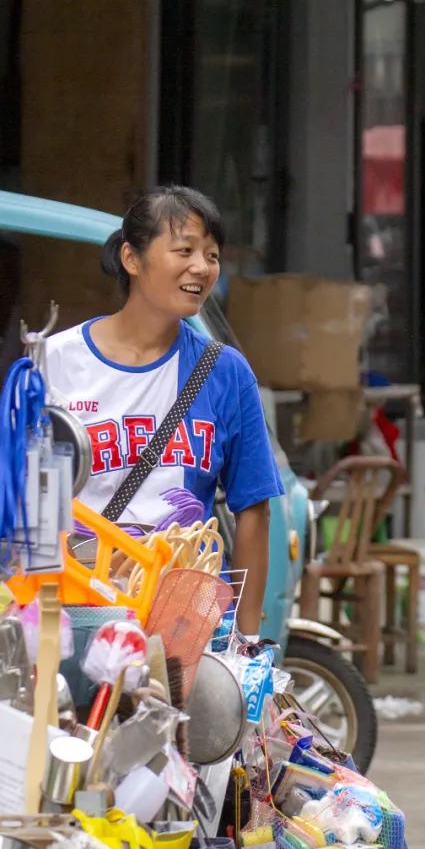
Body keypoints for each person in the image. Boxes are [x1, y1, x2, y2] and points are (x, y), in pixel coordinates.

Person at [43, 186, 283, 637]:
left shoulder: (226, 372)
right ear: (132, 259)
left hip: (185, 625)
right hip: (77, 616)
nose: (202, 268)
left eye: (212, 255)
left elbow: (253, 510)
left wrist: (247, 640)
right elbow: (20, 498)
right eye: (185, 250)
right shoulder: (53, 361)